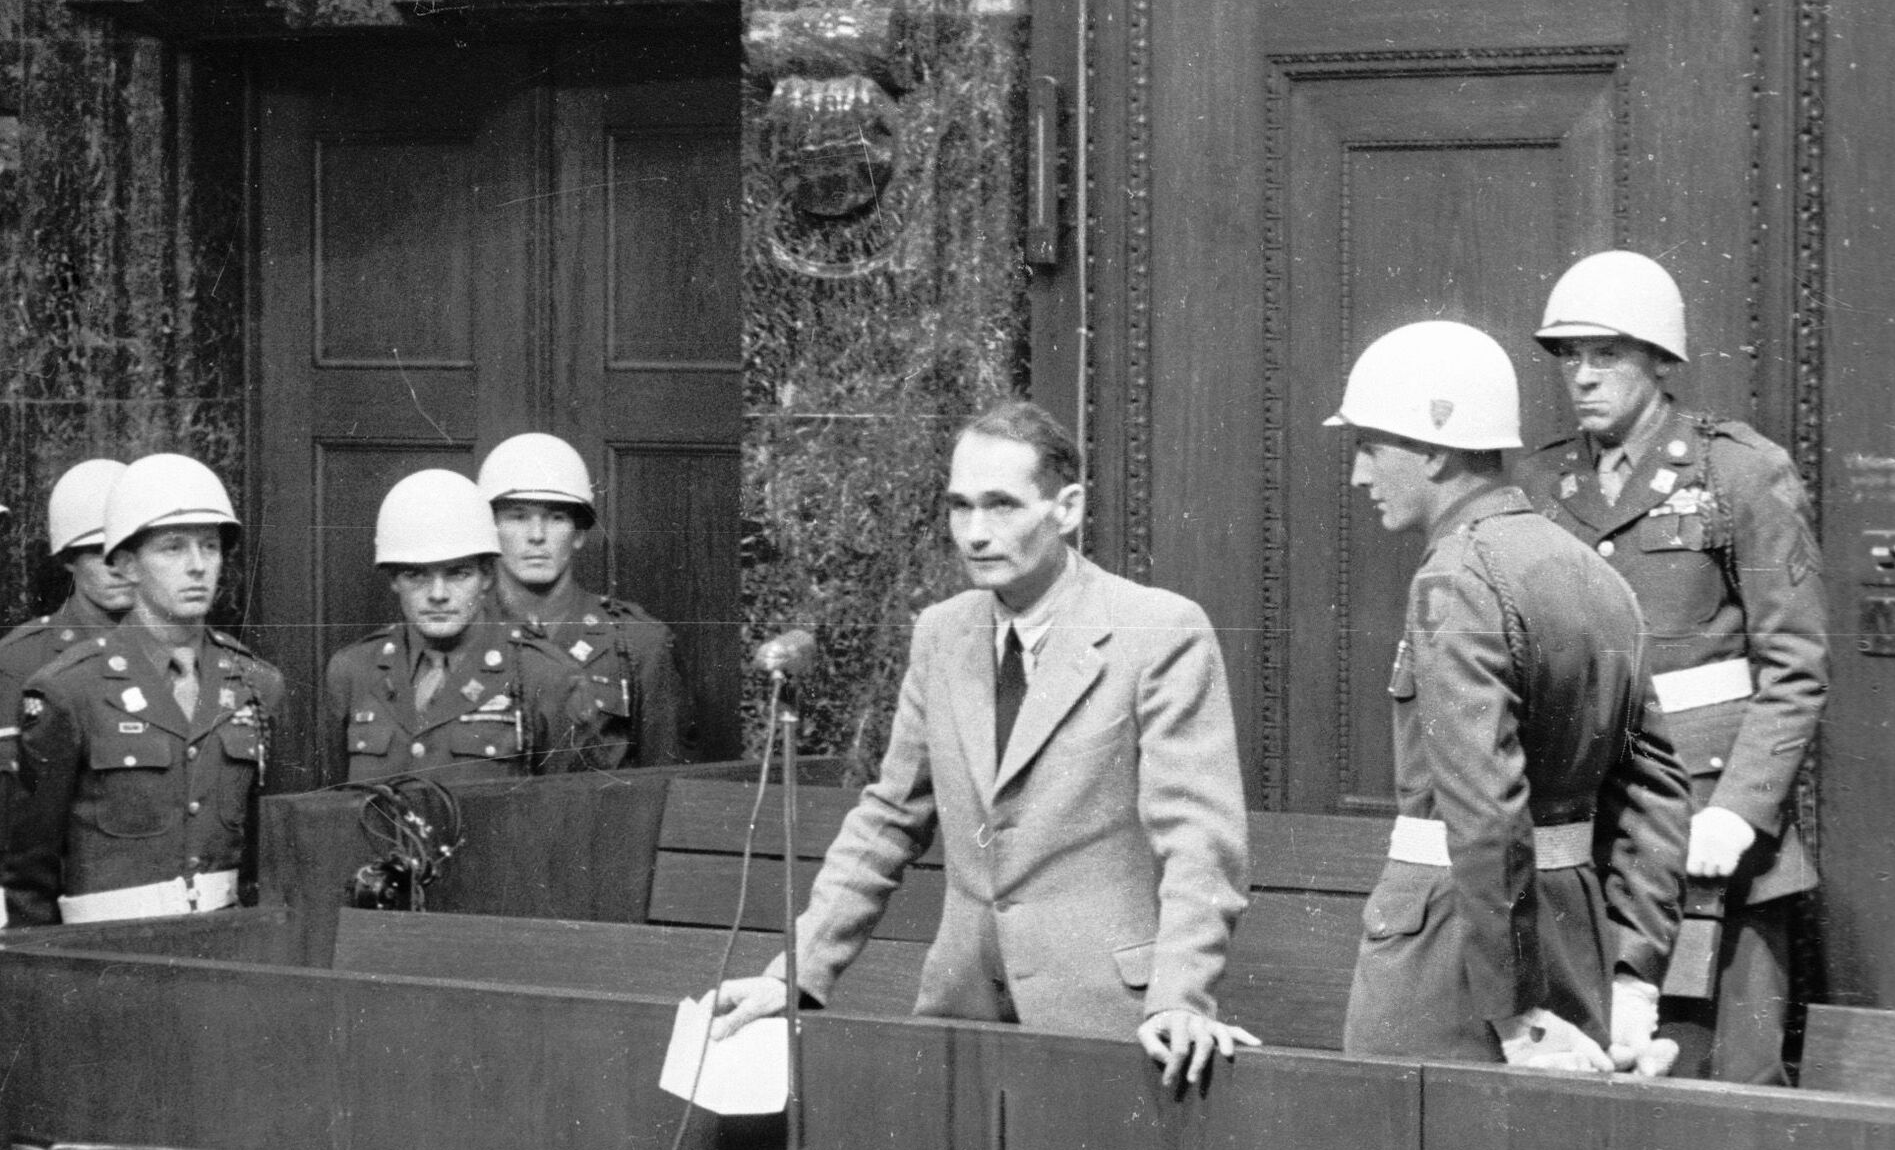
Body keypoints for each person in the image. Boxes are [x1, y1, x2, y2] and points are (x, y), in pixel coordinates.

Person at [712, 400, 1257, 1086]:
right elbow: (888, 818)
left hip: (1112, 1017)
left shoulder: (1159, 630)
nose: (974, 533)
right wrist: (795, 972)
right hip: (960, 1009)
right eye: (959, 506)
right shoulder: (942, 633)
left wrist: (1180, 996)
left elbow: (1200, 839)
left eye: (1001, 505)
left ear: (1067, 508)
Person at [1328, 322, 1691, 1072]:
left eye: (1370, 446)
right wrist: (1632, 978)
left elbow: (1484, 807)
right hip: (1573, 939)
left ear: (1434, 449)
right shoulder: (1597, 575)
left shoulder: (1457, 577)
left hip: (1456, 958)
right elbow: (1655, 789)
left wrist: (1516, 1011)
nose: (1360, 474)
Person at [1517, 251, 1830, 1084]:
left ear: (1660, 359)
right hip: (1593, 839)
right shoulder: (1541, 482)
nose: (1583, 375)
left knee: (1729, 1090)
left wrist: (1742, 808)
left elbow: (1795, 666)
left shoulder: (1739, 471)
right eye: (1569, 355)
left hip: (1713, 834)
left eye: (1606, 353)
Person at [4, 454, 284, 927]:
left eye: (210, 547)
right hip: (110, 951)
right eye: (173, 548)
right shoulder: (69, 690)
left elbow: (272, 853)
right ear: (127, 565)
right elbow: (30, 874)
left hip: (226, 944)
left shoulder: (257, 683)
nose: (197, 566)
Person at [324, 467, 608, 787]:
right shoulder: (353, 671)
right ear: (393, 579)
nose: (438, 595)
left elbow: (581, 809)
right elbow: (330, 805)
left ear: (486, 576)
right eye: (416, 575)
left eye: (458, 574)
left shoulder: (546, 675)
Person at [476, 432, 692, 766]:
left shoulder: (639, 644)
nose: (536, 536)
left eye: (556, 518)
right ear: (490, 531)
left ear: (578, 534)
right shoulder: (460, 638)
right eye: (518, 517)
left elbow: (669, 780)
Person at [0, 461, 134, 856]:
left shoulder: (180, 653)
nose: (118, 568)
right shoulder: (21, 659)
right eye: (100, 552)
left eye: (129, 549)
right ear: (68, 558)